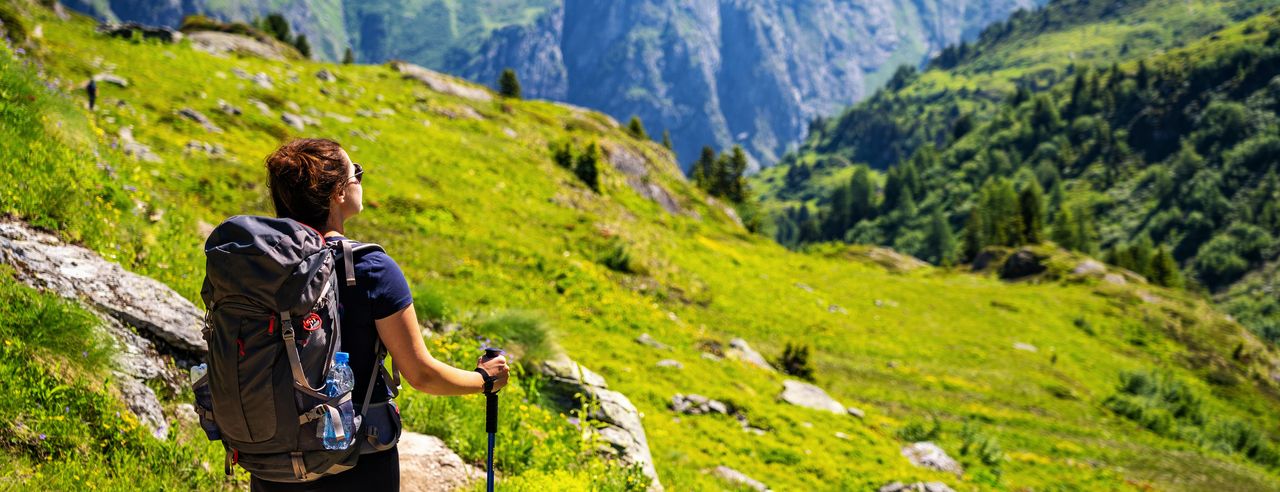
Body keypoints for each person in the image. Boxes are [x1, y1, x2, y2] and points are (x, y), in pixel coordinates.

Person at [253, 138, 510, 491]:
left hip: (274, 459)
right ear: (338, 194)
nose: (360, 178)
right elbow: (421, 374)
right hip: (355, 459)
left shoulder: (259, 268)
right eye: (355, 173)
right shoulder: (370, 269)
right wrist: (484, 379)